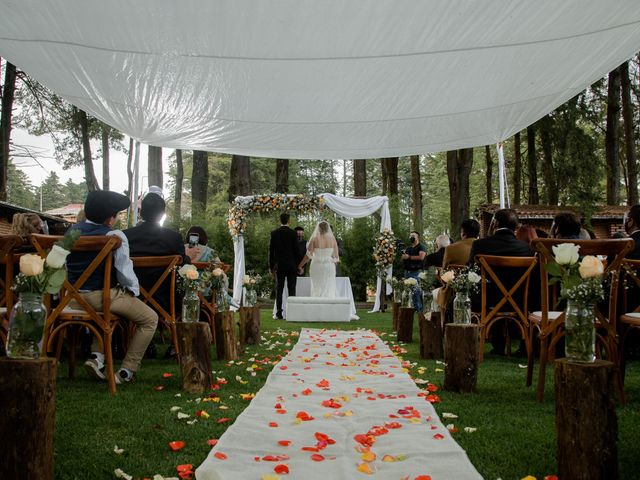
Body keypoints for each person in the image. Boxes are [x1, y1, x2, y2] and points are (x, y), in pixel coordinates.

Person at [67, 190, 158, 384]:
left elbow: (57, 263)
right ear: (110, 218)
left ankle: (96, 357)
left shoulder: (71, 232)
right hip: (100, 297)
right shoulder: (114, 236)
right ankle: (127, 370)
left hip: (72, 300)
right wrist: (134, 291)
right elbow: (124, 271)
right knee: (150, 319)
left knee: (103, 315)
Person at [123, 193, 190, 357]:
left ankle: (134, 343)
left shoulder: (126, 236)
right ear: (163, 214)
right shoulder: (172, 237)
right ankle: (175, 345)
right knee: (186, 294)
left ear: (141, 212)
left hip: (133, 296)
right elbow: (185, 263)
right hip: (166, 298)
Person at [468, 208, 534, 355]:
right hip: (519, 301)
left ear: (494, 223)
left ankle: (496, 345)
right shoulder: (526, 248)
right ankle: (521, 346)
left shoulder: (480, 245)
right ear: (515, 226)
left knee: (480, 290)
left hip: (487, 299)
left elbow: (470, 272)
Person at [298, 220, 339, 297]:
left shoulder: (314, 239)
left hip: (316, 265)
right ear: (328, 229)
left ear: (318, 229)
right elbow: (336, 257)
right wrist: (331, 264)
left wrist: (300, 265)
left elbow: (308, 256)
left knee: (317, 286)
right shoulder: (332, 240)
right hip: (329, 266)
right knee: (328, 286)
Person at [269, 213, 299, 319]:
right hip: (291, 265)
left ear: (280, 221)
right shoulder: (293, 234)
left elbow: (271, 252)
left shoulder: (274, 233)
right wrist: (298, 265)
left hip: (279, 266)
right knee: (292, 288)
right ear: (289, 221)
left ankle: (279, 312)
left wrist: (271, 266)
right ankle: (292, 312)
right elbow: (297, 251)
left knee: (279, 289)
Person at [401, 231, 427, 310]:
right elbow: (403, 257)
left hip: (416, 272)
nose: (411, 237)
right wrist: (403, 256)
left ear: (418, 237)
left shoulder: (422, 247)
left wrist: (409, 257)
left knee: (416, 292)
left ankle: (419, 310)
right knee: (408, 292)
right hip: (407, 272)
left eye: (413, 236)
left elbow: (421, 257)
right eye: (410, 236)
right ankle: (411, 309)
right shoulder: (408, 248)